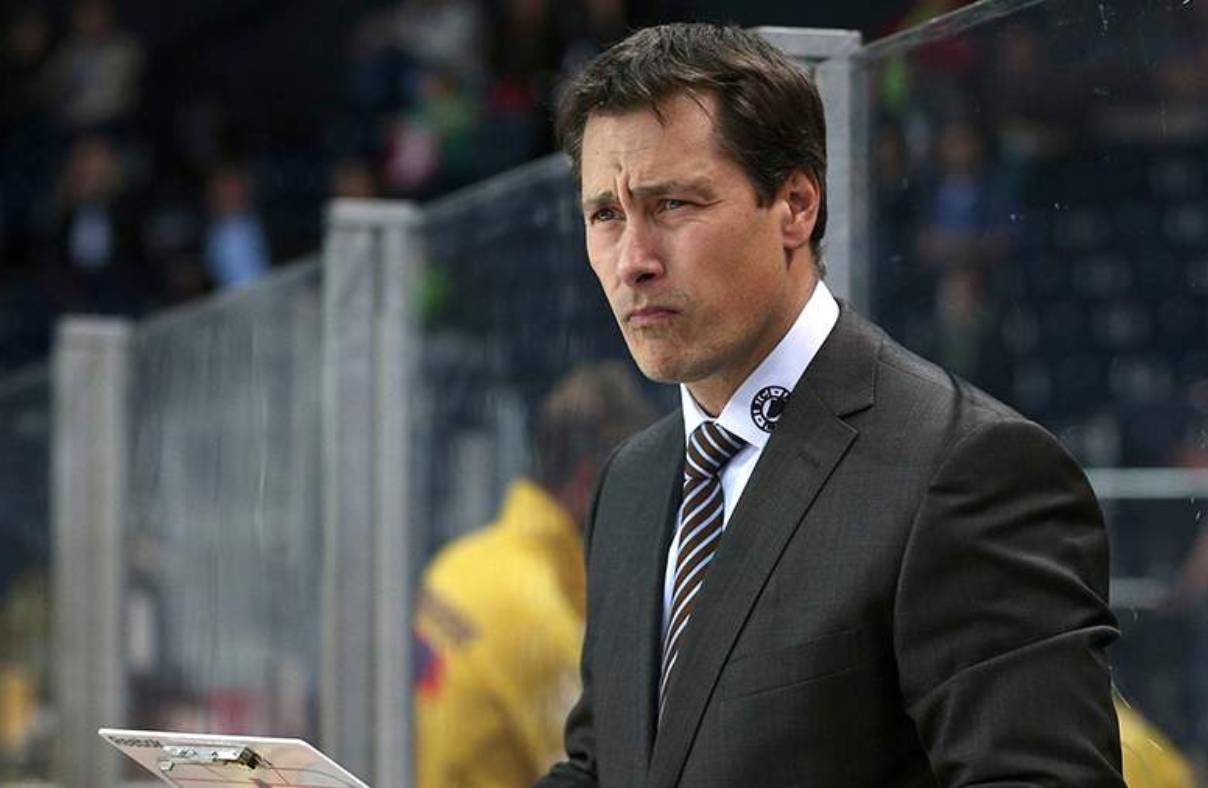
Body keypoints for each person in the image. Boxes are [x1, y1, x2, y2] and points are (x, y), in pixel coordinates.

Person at [538, 24, 1123, 787]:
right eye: (605, 216)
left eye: (673, 203)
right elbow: (605, 768)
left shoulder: (967, 468)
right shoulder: (631, 483)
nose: (633, 261)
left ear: (796, 205)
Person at [415, 363, 657, 788]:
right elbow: (599, 775)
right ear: (588, 483)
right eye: (640, 493)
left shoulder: (455, 566)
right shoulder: (546, 625)